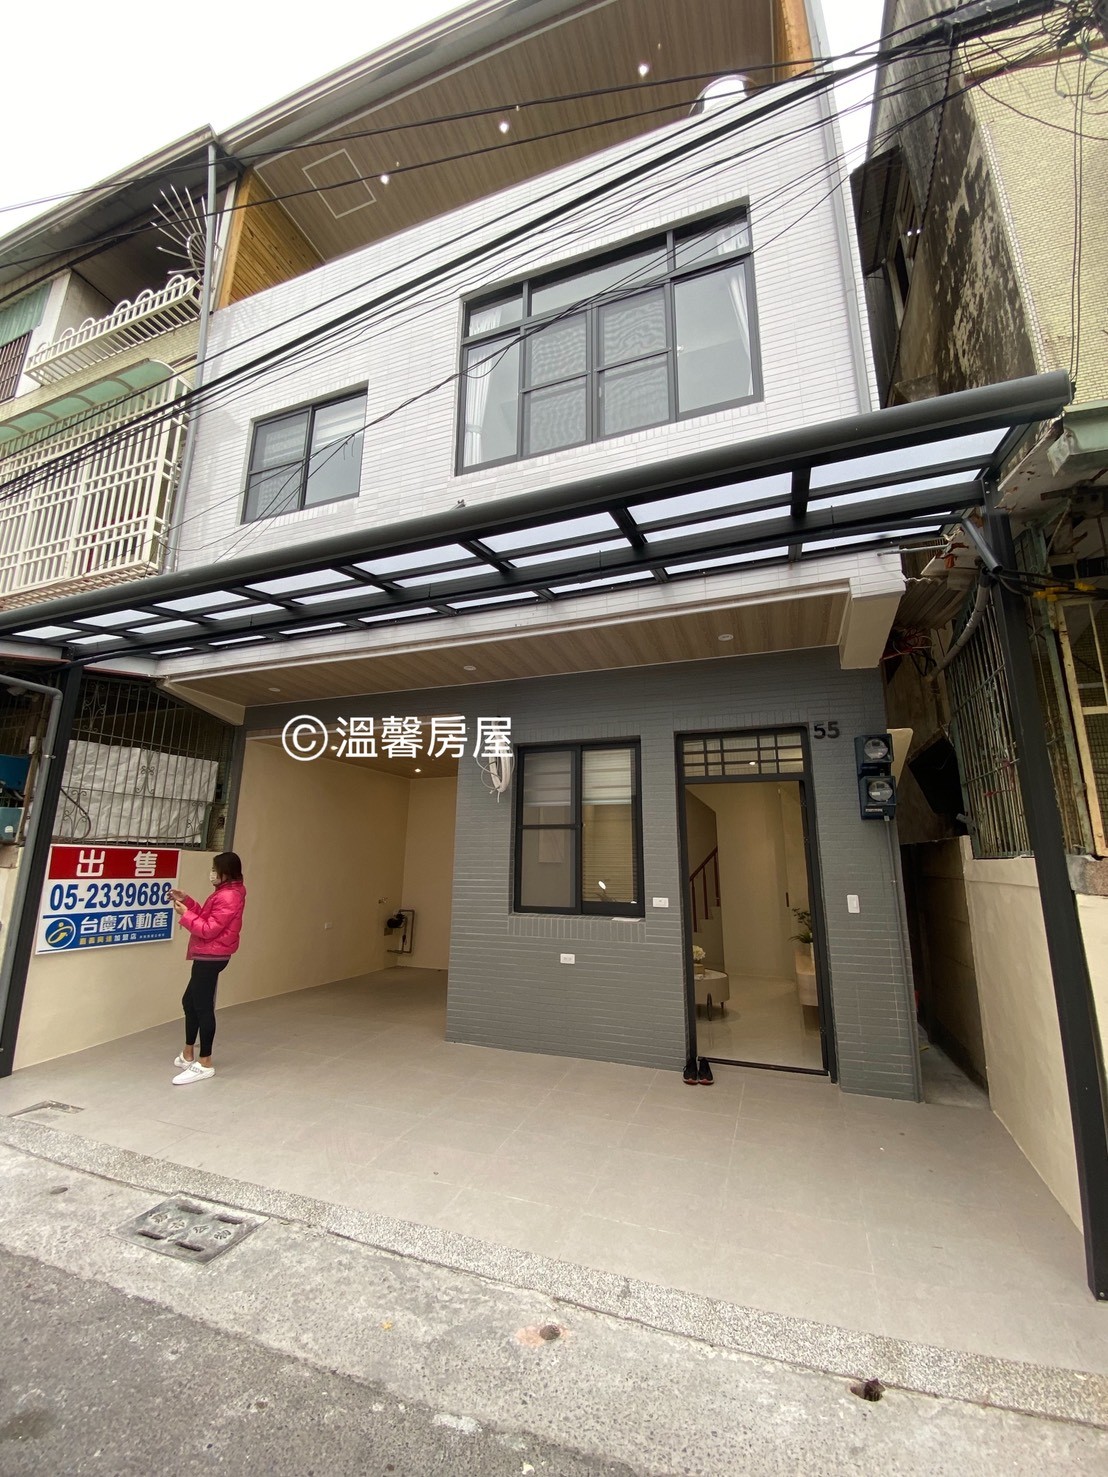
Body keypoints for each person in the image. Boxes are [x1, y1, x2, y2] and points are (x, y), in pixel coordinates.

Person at [168, 852, 246, 1085]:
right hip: (207, 953)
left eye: (214, 869)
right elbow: (206, 916)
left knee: (202, 1006)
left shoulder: (229, 896)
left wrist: (185, 915)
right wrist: (188, 901)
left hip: (212, 955)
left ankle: (205, 1062)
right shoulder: (225, 892)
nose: (211, 873)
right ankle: (188, 1053)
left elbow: (209, 929)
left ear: (226, 872)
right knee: (189, 1002)